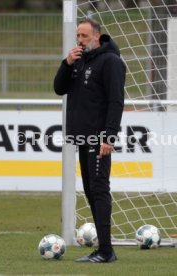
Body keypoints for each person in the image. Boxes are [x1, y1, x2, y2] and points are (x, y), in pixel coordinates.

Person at [54, 18, 126, 263]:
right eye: (78, 36)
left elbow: (116, 102)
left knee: (99, 189)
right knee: (90, 190)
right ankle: (103, 249)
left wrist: (109, 135)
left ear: (97, 35)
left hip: (99, 138)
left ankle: (106, 251)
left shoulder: (111, 61)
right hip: (83, 137)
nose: (80, 40)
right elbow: (58, 88)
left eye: (84, 36)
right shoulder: (78, 60)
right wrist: (66, 63)